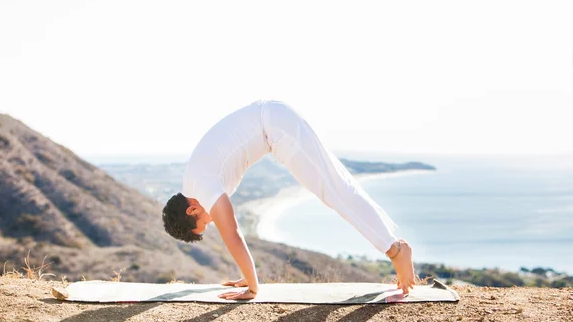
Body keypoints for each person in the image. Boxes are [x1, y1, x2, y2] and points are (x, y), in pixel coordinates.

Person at [162, 99, 415, 300]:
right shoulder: (194, 181)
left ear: (192, 209)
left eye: (205, 222)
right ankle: (394, 245)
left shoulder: (203, 186)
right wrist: (246, 275)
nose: (212, 220)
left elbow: (233, 235)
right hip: (275, 121)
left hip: (276, 126)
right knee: (337, 186)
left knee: (334, 190)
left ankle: (395, 251)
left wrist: (252, 287)